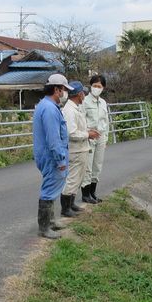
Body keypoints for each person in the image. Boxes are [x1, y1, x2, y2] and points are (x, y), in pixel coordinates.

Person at [32, 74, 73, 239]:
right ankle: (44, 227)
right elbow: (53, 138)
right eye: (63, 90)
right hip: (51, 157)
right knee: (49, 190)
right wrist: (60, 159)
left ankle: (50, 221)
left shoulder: (46, 105)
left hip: (47, 155)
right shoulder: (49, 109)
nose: (64, 93)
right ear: (57, 89)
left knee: (53, 187)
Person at [60, 81, 100, 218]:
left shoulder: (75, 107)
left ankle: (70, 204)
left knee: (77, 178)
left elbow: (77, 128)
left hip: (80, 148)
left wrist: (88, 131)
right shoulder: (70, 110)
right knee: (72, 179)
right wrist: (88, 134)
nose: (84, 96)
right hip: (75, 150)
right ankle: (65, 208)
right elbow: (71, 133)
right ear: (79, 94)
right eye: (83, 93)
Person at [81, 74, 110, 204]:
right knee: (88, 165)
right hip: (89, 136)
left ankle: (93, 192)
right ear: (90, 86)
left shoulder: (103, 102)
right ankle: (85, 194)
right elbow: (81, 120)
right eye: (95, 86)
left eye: (99, 86)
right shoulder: (85, 101)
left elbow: (106, 121)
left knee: (97, 165)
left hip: (101, 136)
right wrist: (86, 133)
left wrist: (106, 138)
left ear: (103, 88)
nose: (97, 88)